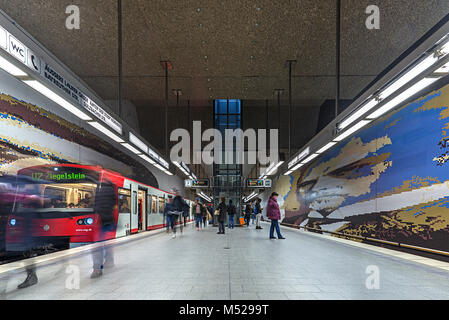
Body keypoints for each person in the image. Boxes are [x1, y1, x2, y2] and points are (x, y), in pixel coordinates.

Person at [91, 183, 116, 278]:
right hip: (109, 220)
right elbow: (112, 205)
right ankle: (109, 261)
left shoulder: (102, 190)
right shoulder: (111, 190)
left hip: (102, 221)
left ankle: (97, 269)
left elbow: (100, 206)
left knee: (97, 245)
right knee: (107, 243)